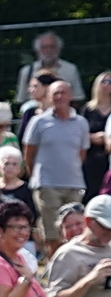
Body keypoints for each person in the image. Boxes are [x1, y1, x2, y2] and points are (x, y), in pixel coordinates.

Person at [23, 81, 91, 255]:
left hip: (74, 183)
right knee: (52, 232)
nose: (59, 97)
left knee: (76, 229)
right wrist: (35, 176)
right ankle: (55, 265)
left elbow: (81, 153)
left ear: (70, 95)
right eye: (55, 93)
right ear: (48, 97)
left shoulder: (81, 123)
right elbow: (29, 153)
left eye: (63, 92)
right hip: (47, 184)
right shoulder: (38, 122)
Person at [16, 31, 84, 103]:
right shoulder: (27, 71)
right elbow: (21, 99)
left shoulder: (70, 69)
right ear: (37, 50)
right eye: (44, 47)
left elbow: (77, 97)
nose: (48, 50)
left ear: (59, 49)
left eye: (52, 47)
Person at [81, 72, 111, 196]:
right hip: (90, 158)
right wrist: (91, 137)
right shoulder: (87, 109)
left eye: (110, 82)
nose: (107, 85)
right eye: (104, 81)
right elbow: (77, 133)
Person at [0, 145, 37, 221]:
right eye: (6, 163)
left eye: (14, 164)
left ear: (19, 168)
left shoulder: (27, 188)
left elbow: (32, 214)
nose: (10, 167)